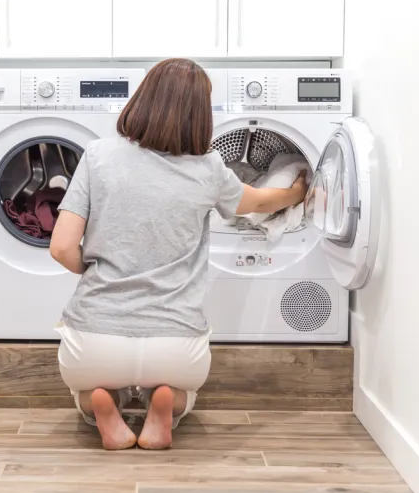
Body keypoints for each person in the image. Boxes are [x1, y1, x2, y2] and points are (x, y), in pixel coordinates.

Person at [49, 58, 308, 450]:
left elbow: (61, 246)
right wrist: (296, 192)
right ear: (200, 116)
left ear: (142, 99)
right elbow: (257, 202)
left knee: (89, 387)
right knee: (184, 392)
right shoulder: (209, 168)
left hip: (95, 339)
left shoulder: (97, 155)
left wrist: (94, 267)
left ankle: (99, 405)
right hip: (175, 344)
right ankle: (165, 407)